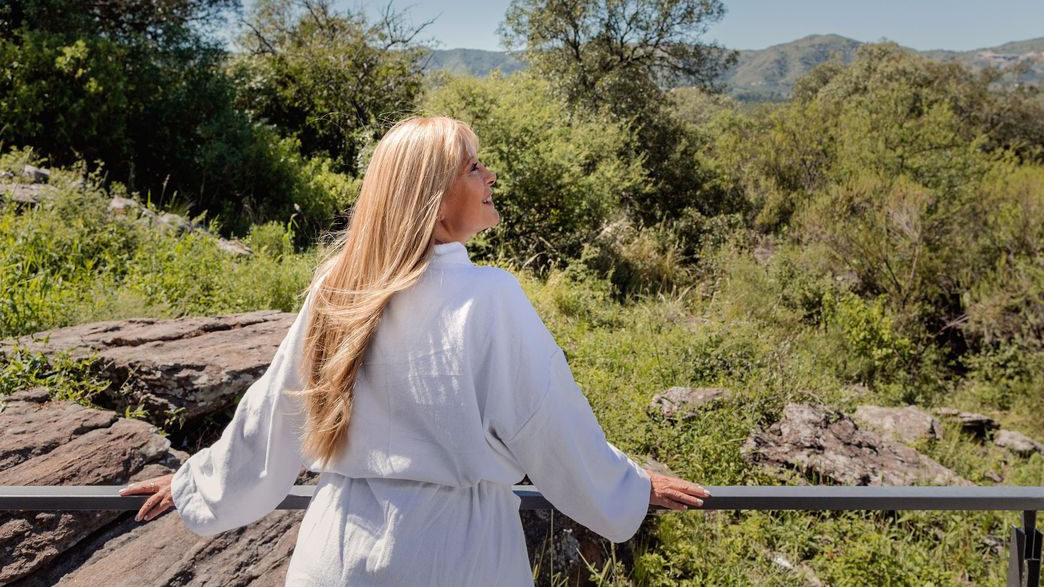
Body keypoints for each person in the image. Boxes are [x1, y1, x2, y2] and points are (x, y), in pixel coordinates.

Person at [120, 116, 709, 585]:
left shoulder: (339, 287)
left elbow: (276, 411)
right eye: (474, 166)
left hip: (337, 556)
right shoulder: (490, 297)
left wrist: (195, 485)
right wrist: (629, 489)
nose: (490, 178)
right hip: (455, 558)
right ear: (434, 194)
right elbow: (550, 424)